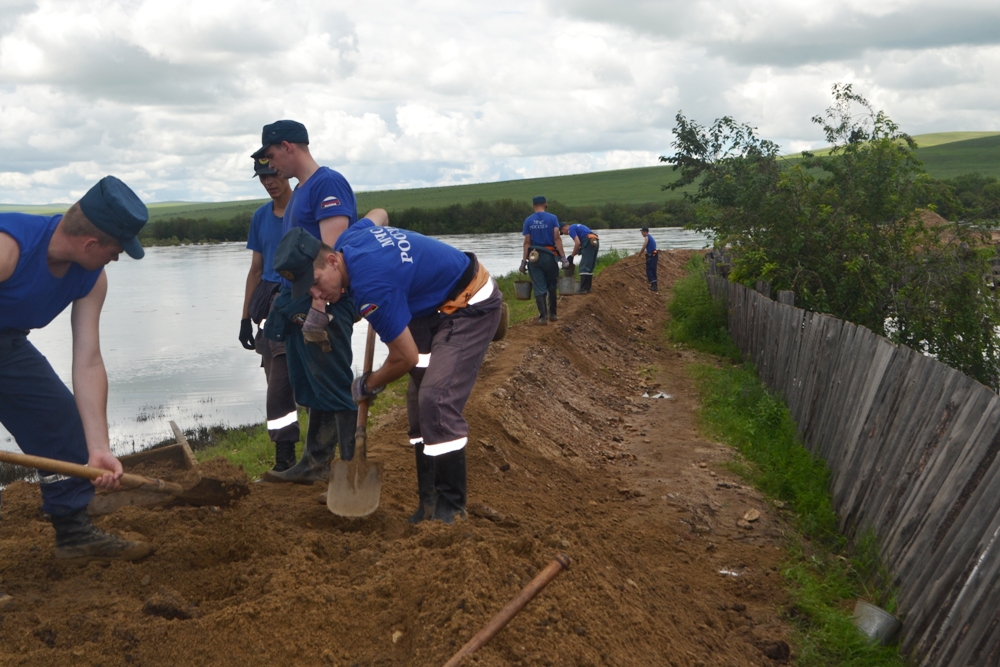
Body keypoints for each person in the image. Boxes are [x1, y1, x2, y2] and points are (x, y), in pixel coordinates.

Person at [273, 215, 503, 524]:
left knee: (435, 399)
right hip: (427, 309)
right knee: (418, 402)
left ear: (331, 261)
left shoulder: (371, 287)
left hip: (469, 304)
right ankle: (428, 502)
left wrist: (368, 384)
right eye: (308, 291)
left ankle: (452, 509)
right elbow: (378, 214)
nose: (317, 295)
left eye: (315, 283)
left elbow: (404, 357)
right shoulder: (350, 240)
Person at [0, 176, 154, 584]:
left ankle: (74, 534)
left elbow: (87, 361)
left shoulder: (91, 278)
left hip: (6, 345)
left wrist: (98, 447)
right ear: (91, 245)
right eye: (115, 250)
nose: (117, 258)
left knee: (63, 425)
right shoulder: (8, 249)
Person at [253, 119, 361, 484]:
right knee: (311, 382)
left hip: (323, 301)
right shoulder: (301, 190)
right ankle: (314, 463)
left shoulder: (326, 184)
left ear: (288, 146)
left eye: (270, 155)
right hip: (299, 302)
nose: (270, 165)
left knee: (330, 381)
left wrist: (320, 308)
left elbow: (333, 254)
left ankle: (347, 467)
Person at [239, 155, 300, 473]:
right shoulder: (260, 217)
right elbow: (256, 270)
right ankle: (287, 453)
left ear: (286, 174)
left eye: (273, 175)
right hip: (267, 305)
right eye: (262, 177)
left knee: (283, 379)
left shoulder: (302, 209)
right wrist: (245, 317)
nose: (269, 182)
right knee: (275, 376)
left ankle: (288, 456)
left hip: (299, 300)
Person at [519, 196, 567, 325]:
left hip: (534, 257)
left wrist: (524, 262)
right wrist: (563, 258)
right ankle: (553, 314)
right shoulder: (552, 218)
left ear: (533, 206)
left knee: (539, 287)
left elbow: (527, 242)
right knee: (552, 285)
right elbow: (557, 239)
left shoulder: (528, 220)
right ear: (545, 204)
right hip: (550, 255)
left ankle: (542, 317)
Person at [560, 222, 599, 293]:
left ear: (564, 228)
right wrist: (575, 254)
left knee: (584, 266)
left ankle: (583, 289)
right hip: (594, 240)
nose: (565, 234)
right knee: (590, 265)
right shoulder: (576, 226)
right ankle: (588, 288)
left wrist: (571, 256)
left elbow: (577, 243)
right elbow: (582, 245)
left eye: (562, 232)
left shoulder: (570, 229)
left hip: (588, 240)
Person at [638, 227, 658, 291]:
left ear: (645, 232)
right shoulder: (650, 237)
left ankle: (654, 286)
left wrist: (640, 253)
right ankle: (654, 285)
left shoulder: (647, 237)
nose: (641, 233)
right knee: (653, 269)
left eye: (642, 232)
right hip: (654, 255)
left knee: (649, 270)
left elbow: (644, 246)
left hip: (651, 256)